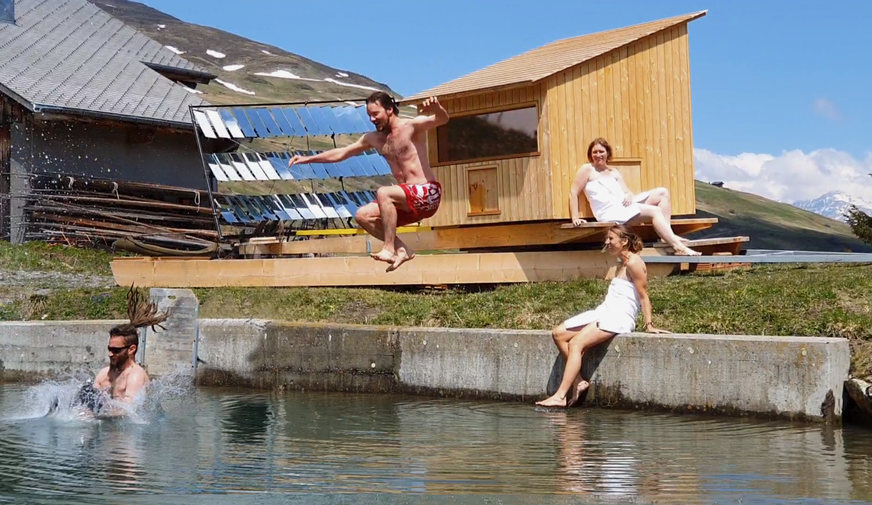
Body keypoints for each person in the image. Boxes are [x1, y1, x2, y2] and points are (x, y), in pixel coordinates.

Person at [289, 91, 449, 271]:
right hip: (407, 201)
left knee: (384, 193)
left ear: (389, 110)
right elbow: (342, 153)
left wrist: (437, 108)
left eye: (375, 114)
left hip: (428, 193)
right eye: (369, 115)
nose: (372, 119)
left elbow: (442, 119)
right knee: (362, 215)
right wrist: (308, 159)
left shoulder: (411, 126)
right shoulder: (374, 138)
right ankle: (402, 249)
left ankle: (389, 248)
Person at [536, 225, 669, 408]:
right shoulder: (620, 262)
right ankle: (579, 380)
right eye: (607, 238)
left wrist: (649, 324)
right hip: (605, 311)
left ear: (624, 241)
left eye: (611, 239)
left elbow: (644, 295)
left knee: (576, 344)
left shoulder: (634, 263)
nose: (607, 242)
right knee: (558, 333)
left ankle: (559, 396)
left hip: (619, 317)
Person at [569, 138, 700, 256]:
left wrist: (629, 196)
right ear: (590, 154)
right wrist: (575, 217)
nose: (598, 155)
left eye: (601, 152)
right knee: (655, 211)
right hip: (609, 211)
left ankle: (668, 236)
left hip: (622, 204)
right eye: (594, 152)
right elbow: (574, 192)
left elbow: (627, 192)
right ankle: (679, 247)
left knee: (663, 192)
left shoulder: (613, 172)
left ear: (607, 153)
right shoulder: (587, 169)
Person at [90, 286, 168, 415]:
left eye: (116, 350)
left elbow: (128, 410)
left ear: (131, 349)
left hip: (127, 433)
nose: (110, 354)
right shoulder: (104, 373)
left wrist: (97, 415)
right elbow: (91, 401)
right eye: (109, 349)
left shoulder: (136, 375)